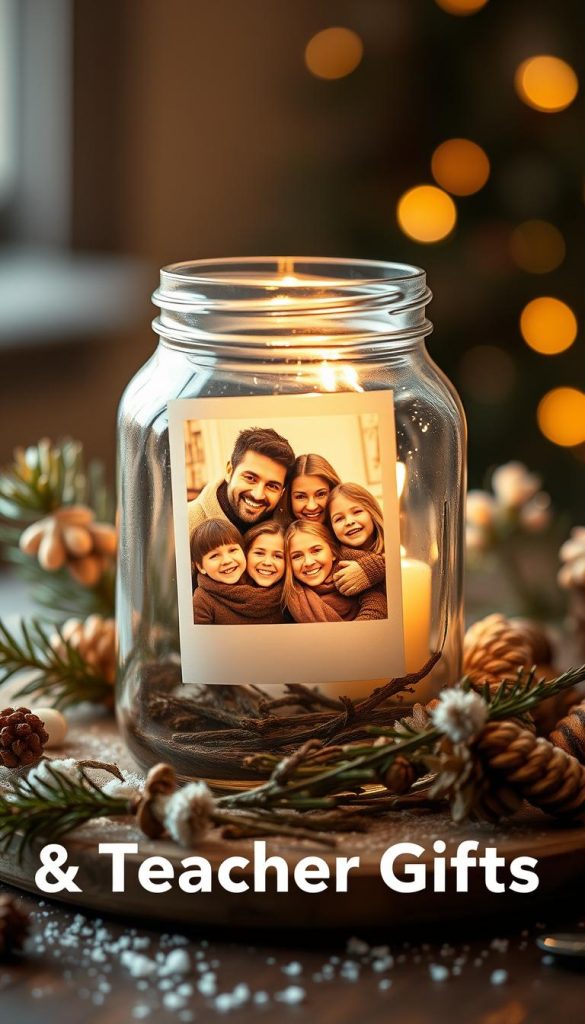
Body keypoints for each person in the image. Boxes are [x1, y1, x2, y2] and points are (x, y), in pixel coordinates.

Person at [188, 427, 296, 539]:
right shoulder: (183, 525)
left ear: (282, 492)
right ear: (229, 471)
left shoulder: (288, 533)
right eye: (250, 478)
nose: (257, 495)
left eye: (272, 486)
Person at [282, 520, 387, 623]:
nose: (308, 562)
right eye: (297, 556)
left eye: (316, 550)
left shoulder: (353, 571)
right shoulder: (292, 594)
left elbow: (378, 602)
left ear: (333, 552)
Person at [191, 519, 284, 624]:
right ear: (200, 567)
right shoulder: (203, 601)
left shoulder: (284, 594)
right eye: (214, 556)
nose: (227, 560)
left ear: (243, 552)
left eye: (232, 550)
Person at [327, 483, 387, 598]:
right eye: (339, 519)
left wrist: (375, 567)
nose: (349, 521)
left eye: (357, 512)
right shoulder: (342, 567)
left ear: (372, 512)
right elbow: (375, 600)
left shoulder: (395, 545)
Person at [284, 453, 341, 525]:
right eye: (300, 497)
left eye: (321, 494)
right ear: (288, 499)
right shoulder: (276, 535)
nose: (311, 507)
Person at [243, 521, 286, 589]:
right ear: (245, 554)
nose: (267, 562)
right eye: (259, 553)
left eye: (278, 556)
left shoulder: (297, 597)